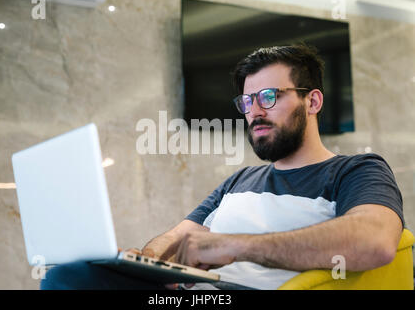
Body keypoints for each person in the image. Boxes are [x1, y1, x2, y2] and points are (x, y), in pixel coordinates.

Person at [40, 44, 404, 290]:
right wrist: (146, 262)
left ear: (313, 101)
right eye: (247, 101)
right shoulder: (240, 180)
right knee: (73, 276)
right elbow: (178, 237)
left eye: (269, 97)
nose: (255, 112)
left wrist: (231, 246)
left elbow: (374, 242)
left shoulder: (355, 170)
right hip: (201, 292)